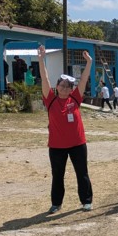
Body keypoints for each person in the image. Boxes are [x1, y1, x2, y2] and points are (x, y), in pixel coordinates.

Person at [37, 45, 94, 214]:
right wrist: (41, 58)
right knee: (57, 176)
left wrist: (89, 63)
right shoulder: (50, 100)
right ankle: (56, 203)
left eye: (68, 87)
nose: (64, 89)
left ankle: (86, 201)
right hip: (56, 146)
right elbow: (44, 78)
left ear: (71, 89)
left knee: (82, 173)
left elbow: (83, 80)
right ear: (57, 86)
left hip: (78, 144)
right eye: (62, 85)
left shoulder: (75, 99)